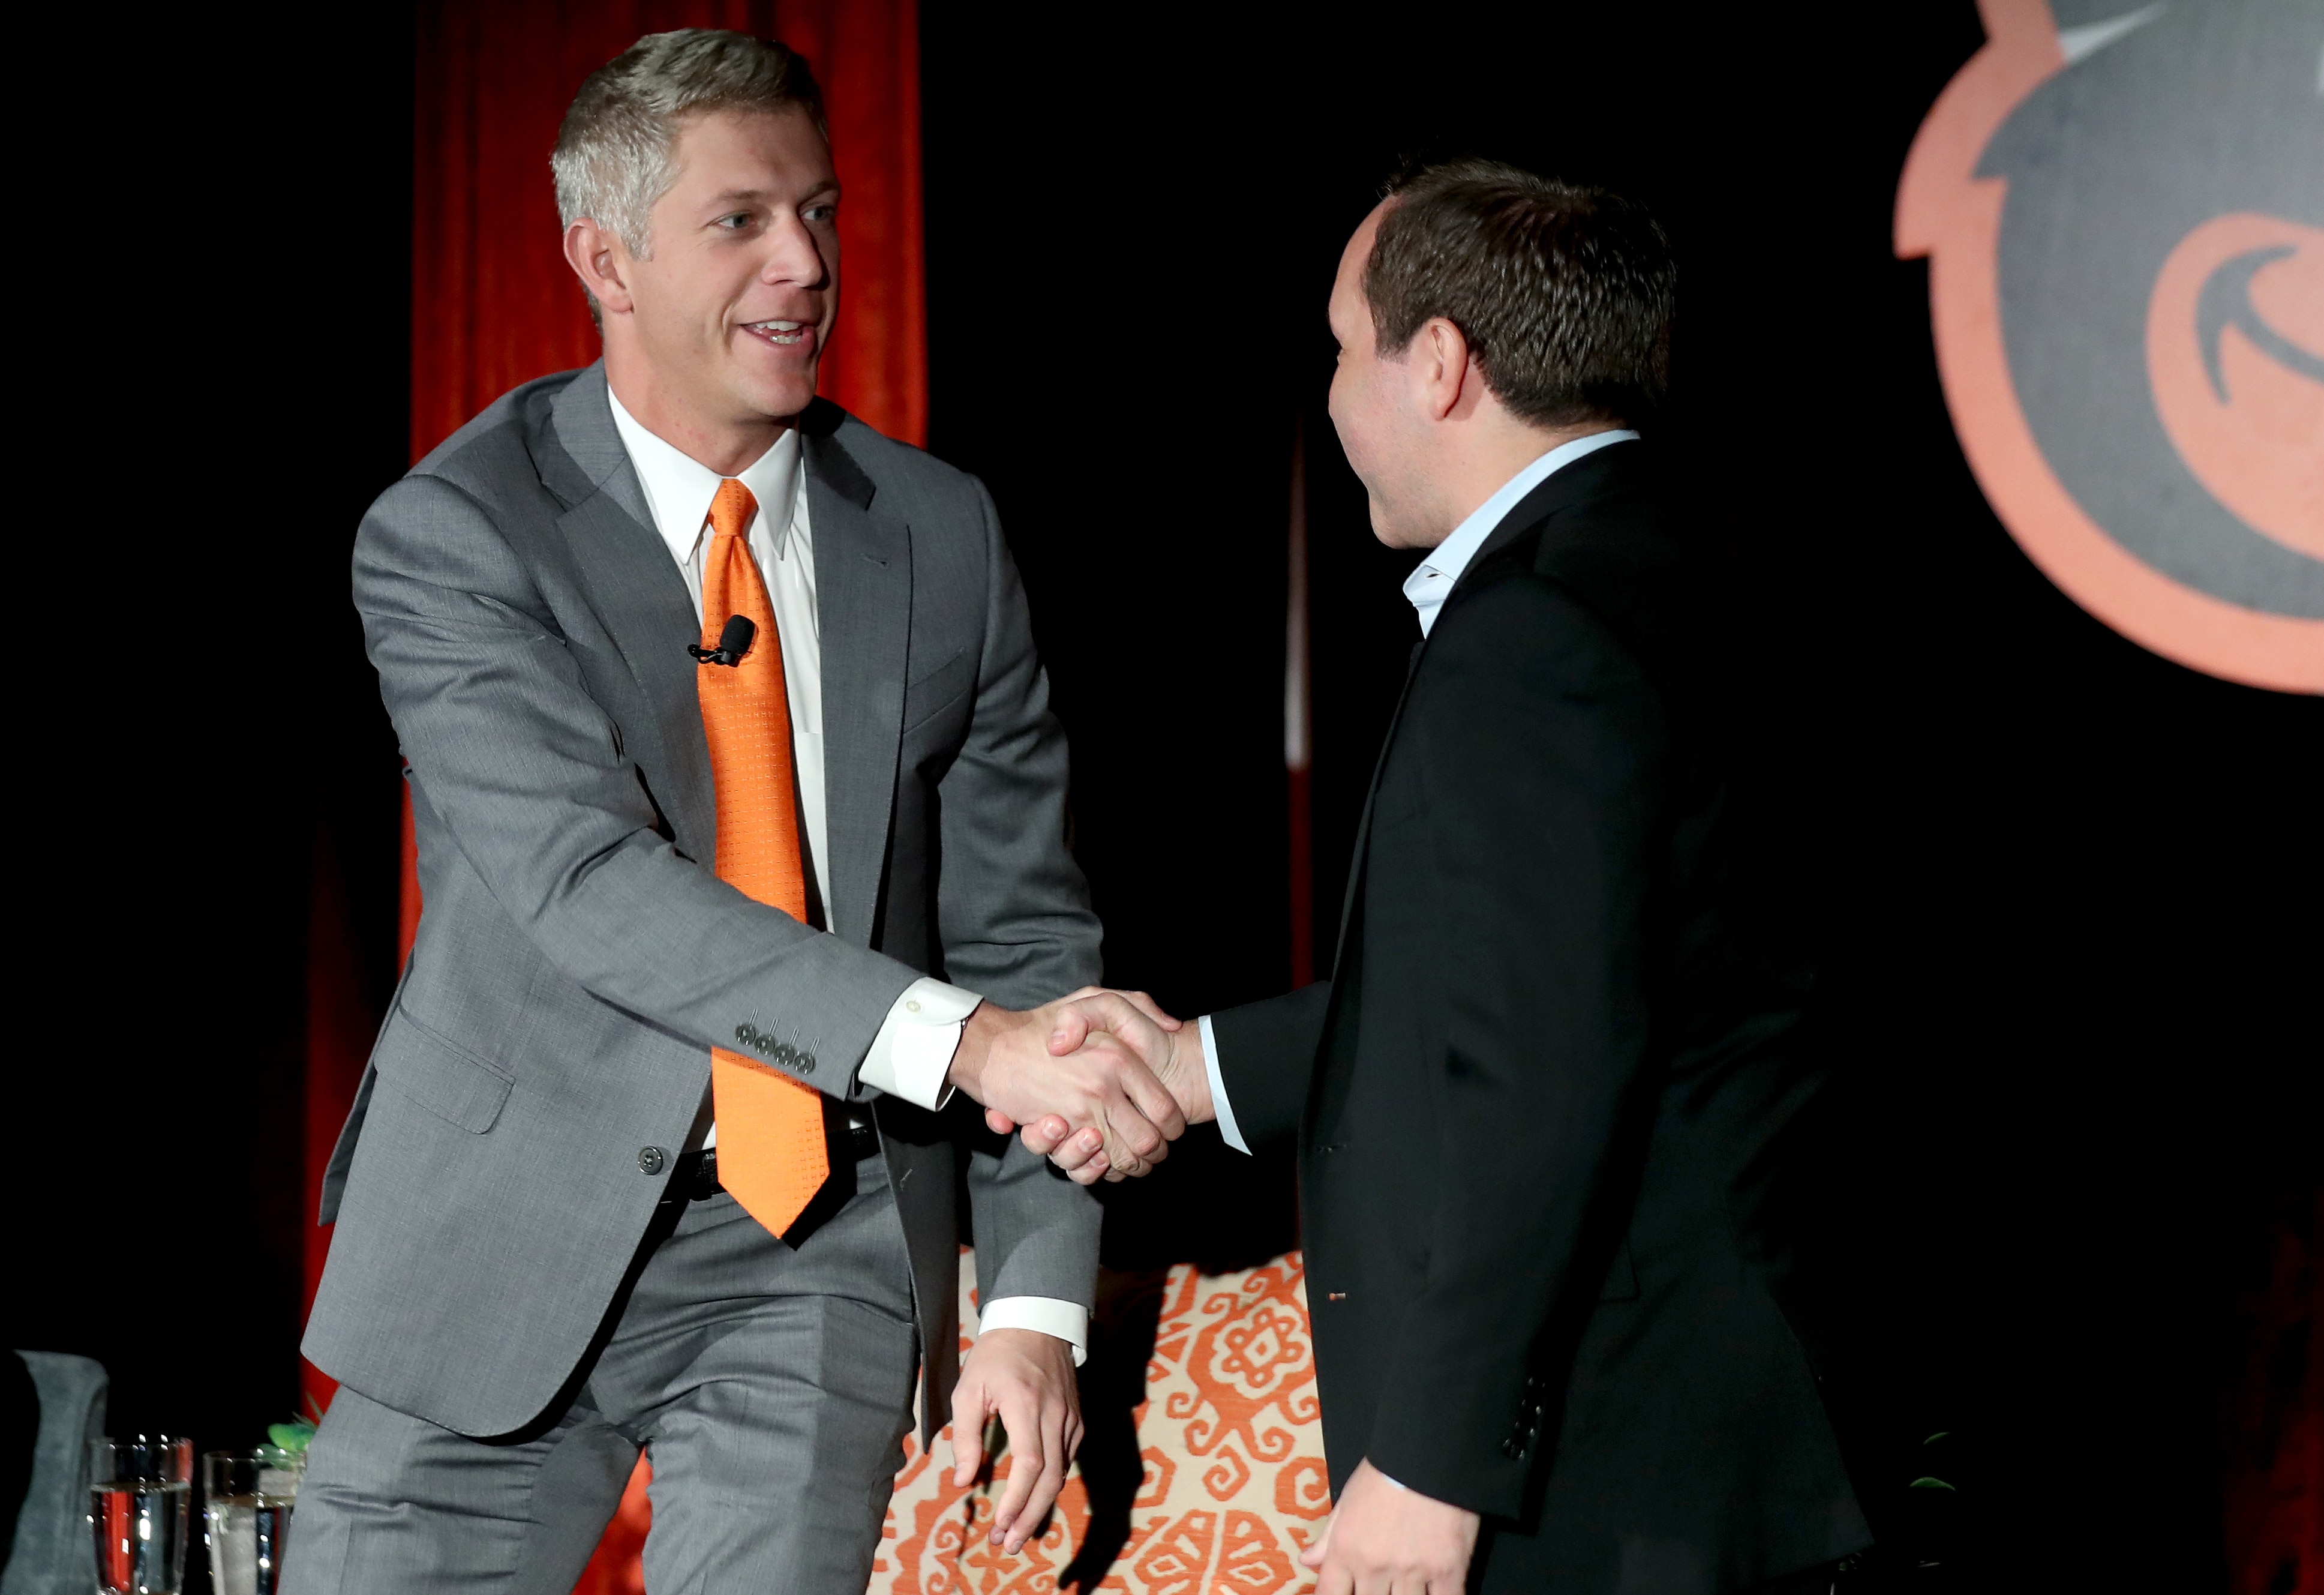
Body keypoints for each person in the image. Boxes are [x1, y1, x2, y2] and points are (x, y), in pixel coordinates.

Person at [287, 31, 1185, 1593]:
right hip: (504, 1215)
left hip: (814, 1240)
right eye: (742, 220)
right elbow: (586, 883)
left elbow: (1025, 926)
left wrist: (1034, 1312)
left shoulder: (939, 531)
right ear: (604, 257)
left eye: (824, 213)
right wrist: (964, 1043)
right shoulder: (452, 533)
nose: (806, 263)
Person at [1017, 164, 1872, 1594]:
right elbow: (1535, 984)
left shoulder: (1534, 628)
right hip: (1717, 1435)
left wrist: (1428, 1462)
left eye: (1343, 351)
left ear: (1436, 366)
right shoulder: (1670, 565)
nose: (1334, 396)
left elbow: (1542, 1067)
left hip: (1609, 1468)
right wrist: (1189, 1066)